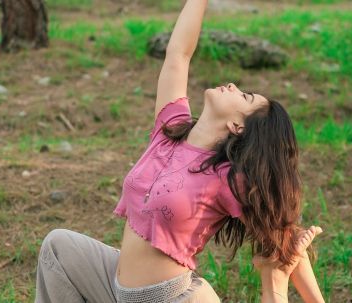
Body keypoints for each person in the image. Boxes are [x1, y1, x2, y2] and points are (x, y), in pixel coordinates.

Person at [34, 1, 325, 302]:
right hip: (117, 289)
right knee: (58, 247)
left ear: (239, 126)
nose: (233, 85)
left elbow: (285, 239)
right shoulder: (169, 129)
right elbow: (178, 54)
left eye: (244, 96)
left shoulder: (227, 177)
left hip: (172, 298)